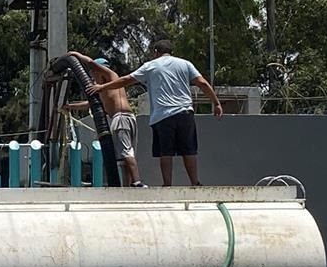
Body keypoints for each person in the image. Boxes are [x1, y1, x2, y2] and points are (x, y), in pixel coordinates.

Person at [87, 39, 222, 187]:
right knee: (189, 150)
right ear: (171, 52)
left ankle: (167, 184)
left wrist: (102, 87)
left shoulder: (151, 66)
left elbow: (126, 80)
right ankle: (195, 182)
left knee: (165, 152)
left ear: (156, 52)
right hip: (185, 113)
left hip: (163, 115)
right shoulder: (185, 64)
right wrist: (216, 103)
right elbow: (202, 83)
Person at [63, 52, 145, 187]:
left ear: (99, 70)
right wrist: (70, 106)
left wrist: (74, 54)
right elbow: (89, 104)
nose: (92, 77)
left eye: (93, 73)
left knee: (126, 152)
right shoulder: (105, 89)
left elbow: (90, 63)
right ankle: (128, 185)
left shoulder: (112, 77)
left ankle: (137, 181)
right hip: (128, 118)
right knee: (124, 156)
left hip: (120, 117)